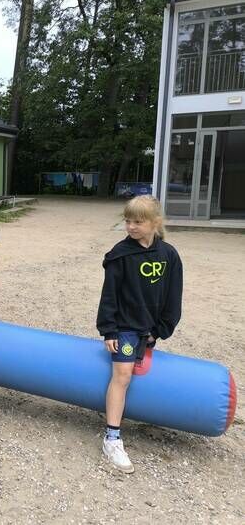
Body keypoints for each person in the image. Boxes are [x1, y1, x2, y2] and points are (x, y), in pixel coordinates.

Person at [97, 195, 183, 473]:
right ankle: (112, 438)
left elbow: (174, 297)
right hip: (124, 327)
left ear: (155, 222)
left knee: (139, 373)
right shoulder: (120, 255)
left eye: (138, 222)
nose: (131, 227)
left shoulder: (169, 255)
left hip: (149, 330)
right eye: (127, 221)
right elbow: (109, 295)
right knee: (122, 375)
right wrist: (109, 329)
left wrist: (160, 330)